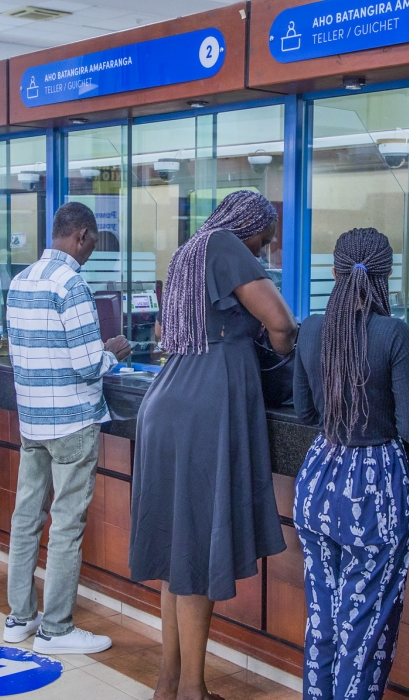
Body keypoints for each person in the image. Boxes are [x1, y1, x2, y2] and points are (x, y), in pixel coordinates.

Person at [129, 190, 297, 700]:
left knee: (179, 557)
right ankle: (194, 691)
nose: (264, 252)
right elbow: (282, 321)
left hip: (170, 400)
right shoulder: (226, 245)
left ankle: (169, 684)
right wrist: (284, 353)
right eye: (263, 241)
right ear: (249, 226)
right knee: (199, 556)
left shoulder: (191, 249)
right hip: (207, 403)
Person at [291, 228, 409, 700]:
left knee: (324, 619)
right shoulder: (392, 333)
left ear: (333, 273)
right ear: (385, 278)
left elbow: (306, 413)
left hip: (318, 483)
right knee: (364, 629)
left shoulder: (310, 330)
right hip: (373, 495)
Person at [3, 202, 133, 654]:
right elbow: (86, 365)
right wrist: (112, 351)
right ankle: (56, 629)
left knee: (26, 517)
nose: (93, 249)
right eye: (94, 241)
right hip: (72, 423)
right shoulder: (71, 284)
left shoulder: (20, 281)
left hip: (32, 418)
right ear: (80, 235)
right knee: (65, 525)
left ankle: (20, 618)